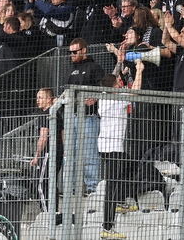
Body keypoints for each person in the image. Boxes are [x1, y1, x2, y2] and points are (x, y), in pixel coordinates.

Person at [99, 65, 144, 240]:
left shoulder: (104, 95)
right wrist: (139, 71)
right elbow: (136, 92)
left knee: (130, 166)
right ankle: (107, 227)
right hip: (113, 148)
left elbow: (112, 78)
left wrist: (120, 69)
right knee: (111, 184)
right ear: (116, 86)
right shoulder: (116, 98)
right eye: (119, 82)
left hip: (107, 147)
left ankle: (119, 200)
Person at [66, 38, 105, 194]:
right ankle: (73, 187)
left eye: (75, 52)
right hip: (72, 116)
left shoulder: (94, 67)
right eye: (70, 52)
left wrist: (95, 97)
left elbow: (102, 87)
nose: (72, 55)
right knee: (71, 154)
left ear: (84, 50)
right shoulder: (69, 69)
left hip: (89, 116)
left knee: (89, 153)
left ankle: (92, 187)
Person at [31, 87, 63, 212]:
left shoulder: (46, 115)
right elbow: (63, 133)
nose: (37, 100)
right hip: (58, 152)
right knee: (51, 183)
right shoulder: (56, 114)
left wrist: (37, 156)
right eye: (37, 97)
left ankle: (47, 213)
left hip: (48, 153)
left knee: (41, 183)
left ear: (49, 99)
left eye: (41, 97)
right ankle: (53, 212)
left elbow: (43, 138)